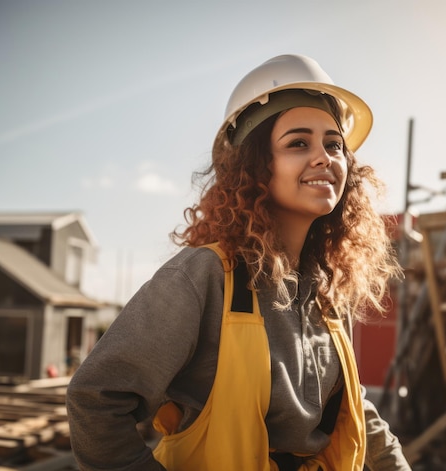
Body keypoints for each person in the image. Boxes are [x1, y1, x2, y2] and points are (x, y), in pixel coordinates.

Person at [66, 54, 411, 471]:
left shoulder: (325, 292)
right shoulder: (204, 276)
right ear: (254, 167)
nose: (324, 157)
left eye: (334, 144)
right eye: (298, 143)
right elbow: (97, 399)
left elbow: (356, 409)